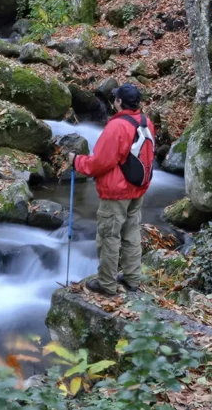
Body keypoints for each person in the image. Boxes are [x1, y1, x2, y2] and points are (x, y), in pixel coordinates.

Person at [69, 83, 156, 296]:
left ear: (118, 102)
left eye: (115, 98)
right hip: (137, 188)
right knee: (131, 233)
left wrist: (77, 161)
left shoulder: (117, 127)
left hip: (116, 192)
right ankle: (131, 279)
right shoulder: (146, 122)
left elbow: (99, 162)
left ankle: (107, 284)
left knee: (109, 237)